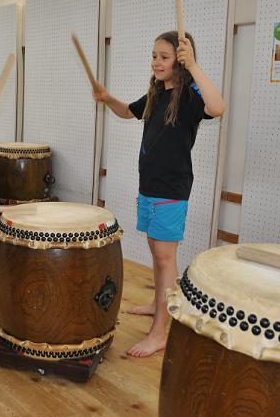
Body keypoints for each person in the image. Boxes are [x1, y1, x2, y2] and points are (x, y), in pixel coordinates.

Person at [93, 31, 224, 358]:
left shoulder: (189, 95)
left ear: (180, 60)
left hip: (171, 189)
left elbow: (218, 107)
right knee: (156, 250)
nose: (156, 62)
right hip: (149, 186)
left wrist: (193, 66)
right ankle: (159, 303)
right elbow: (128, 111)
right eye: (154, 56)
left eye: (164, 57)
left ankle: (159, 334)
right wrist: (107, 98)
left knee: (166, 259)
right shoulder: (156, 93)